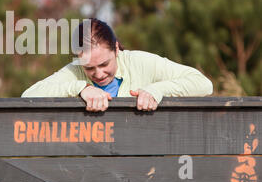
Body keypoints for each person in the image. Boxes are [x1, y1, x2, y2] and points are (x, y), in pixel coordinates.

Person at [21, 18, 213, 112]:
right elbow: (28, 96)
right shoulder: (75, 71)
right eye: (89, 68)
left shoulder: (139, 62)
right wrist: (80, 87)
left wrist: (156, 90)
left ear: (116, 49)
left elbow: (203, 84)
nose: (98, 73)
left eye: (104, 64)